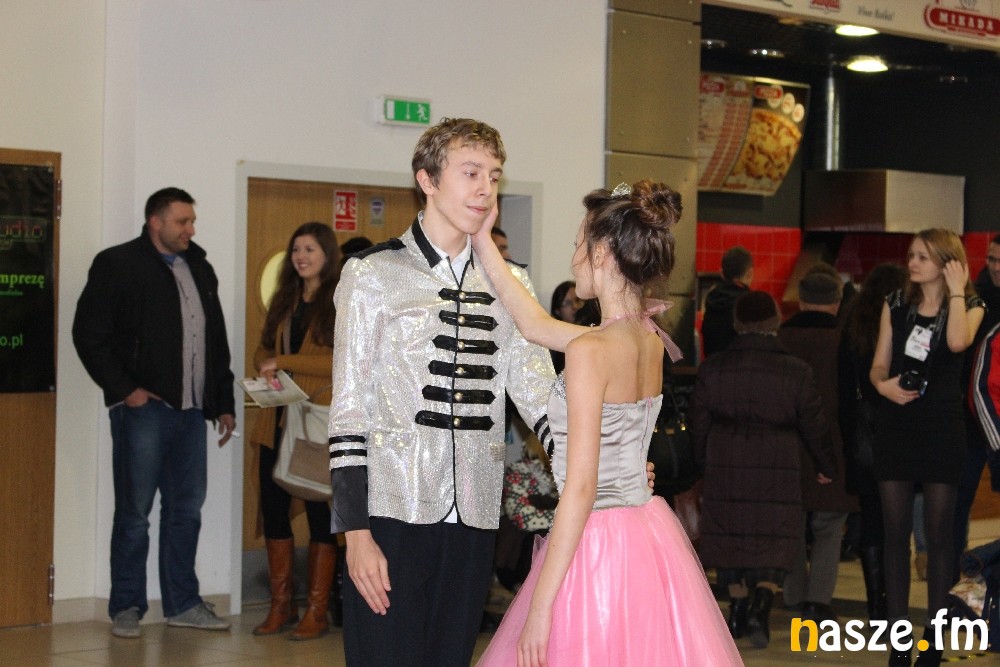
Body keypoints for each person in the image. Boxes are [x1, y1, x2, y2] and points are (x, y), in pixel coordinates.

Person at [474, 180, 742, 666]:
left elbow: (581, 488)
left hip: (594, 538)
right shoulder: (648, 340)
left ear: (600, 253)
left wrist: (540, 606)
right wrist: (482, 241)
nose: (573, 257)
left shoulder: (591, 351)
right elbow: (533, 325)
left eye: (578, 244)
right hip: (644, 530)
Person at [326, 118, 558, 667]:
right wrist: (354, 532)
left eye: (494, 176)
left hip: (475, 512)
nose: (485, 189)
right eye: (470, 173)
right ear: (427, 180)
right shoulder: (372, 273)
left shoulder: (511, 283)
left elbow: (542, 396)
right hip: (389, 511)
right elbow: (348, 408)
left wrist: (608, 460)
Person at [72, 187, 236, 638]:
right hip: (144, 411)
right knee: (135, 514)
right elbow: (89, 334)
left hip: (192, 412)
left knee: (186, 511)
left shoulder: (199, 267)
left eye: (192, 221)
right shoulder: (117, 264)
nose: (191, 229)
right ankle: (126, 606)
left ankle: (183, 603)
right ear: (155, 223)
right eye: (182, 221)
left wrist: (223, 402)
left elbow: (215, 342)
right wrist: (127, 391)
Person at [692, 289, 835, 649]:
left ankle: (737, 606)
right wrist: (825, 464)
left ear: (737, 323)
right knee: (775, 538)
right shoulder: (795, 370)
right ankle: (762, 603)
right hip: (778, 460)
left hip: (725, 459)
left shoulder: (713, 367)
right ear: (775, 321)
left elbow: (698, 424)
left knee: (729, 538)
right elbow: (814, 424)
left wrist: (703, 463)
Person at [869, 228, 984, 667]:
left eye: (922, 256)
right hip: (896, 425)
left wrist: (955, 291)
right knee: (895, 535)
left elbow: (957, 342)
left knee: (939, 538)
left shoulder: (971, 305)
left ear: (947, 262)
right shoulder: (896, 303)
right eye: (911, 255)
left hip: (942, 428)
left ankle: (933, 641)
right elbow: (878, 364)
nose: (912, 263)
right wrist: (884, 386)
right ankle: (899, 642)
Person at [249, 222, 340, 640]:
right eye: (296, 249)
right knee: (273, 509)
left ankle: (316, 611)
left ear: (327, 254)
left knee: (321, 513)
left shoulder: (339, 301)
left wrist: (284, 362)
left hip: (316, 423)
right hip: (277, 418)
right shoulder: (284, 298)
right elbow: (263, 348)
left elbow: (339, 361)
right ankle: (280, 606)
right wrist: (266, 362)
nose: (301, 257)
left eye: (310, 249)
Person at [778, 268, 858, 623]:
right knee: (829, 524)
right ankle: (818, 600)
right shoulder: (844, 340)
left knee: (791, 522)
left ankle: (793, 594)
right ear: (837, 303)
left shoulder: (780, 337)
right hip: (833, 443)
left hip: (785, 446)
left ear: (801, 301)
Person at [837, 263, 907, 622]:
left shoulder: (854, 329)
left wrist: (849, 438)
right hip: (899, 432)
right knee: (898, 524)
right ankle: (894, 602)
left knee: (871, 521)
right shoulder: (903, 327)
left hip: (863, 437)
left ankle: (876, 605)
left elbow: (843, 392)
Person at [955, 233, 1000, 575]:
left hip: (992, 412)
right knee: (958, 503)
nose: (995, 267)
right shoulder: (975, 299)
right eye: (992, 259)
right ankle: (954, 577)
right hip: (969, 418)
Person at [701, 245, 753, 356]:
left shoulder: (711, 298)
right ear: (750, 274)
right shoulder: (749, 303)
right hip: (739, 365)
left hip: (712, 364)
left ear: (721, 273)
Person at [548, 280, 580, 373]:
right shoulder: (552, 342)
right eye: (568, 303)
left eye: (577, 300)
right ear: (558, 311)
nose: (575, 306)